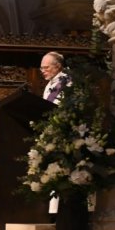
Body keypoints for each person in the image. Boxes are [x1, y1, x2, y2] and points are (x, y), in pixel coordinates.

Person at [40, 53, 69, 215]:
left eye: (46, 67)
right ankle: (51, 210)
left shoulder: (65, 82)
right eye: (41, 68)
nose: (43, 71)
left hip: (61, 135)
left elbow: (56, 108)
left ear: (57, 66)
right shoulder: (51, 83)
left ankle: (56, 213)